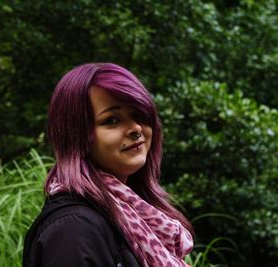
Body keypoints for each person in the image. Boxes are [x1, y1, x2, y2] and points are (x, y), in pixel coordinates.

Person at [23, 63, 194, 267]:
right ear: (77, 136)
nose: (136, 128)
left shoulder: (134, 218)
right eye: (112, 120)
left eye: (138, 115)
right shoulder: (73, 230)